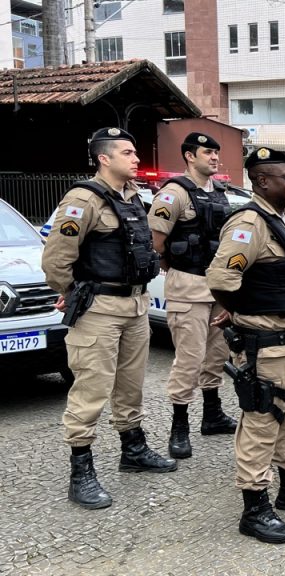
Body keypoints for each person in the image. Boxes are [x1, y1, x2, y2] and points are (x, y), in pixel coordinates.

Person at [42, 127, 175, 510]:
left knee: (130, 385)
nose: (136, 159)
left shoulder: (133, 197)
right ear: (104, 158)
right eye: (128, 153)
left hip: (135, 306)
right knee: (92, 389)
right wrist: (72, 291)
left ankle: (133, 450)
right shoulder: (82, 199)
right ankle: (81, 471)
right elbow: (56, 258)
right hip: (99, 308)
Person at [206, 147, 285, 544]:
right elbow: (223, 280)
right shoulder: (249, 224)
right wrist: (243, 315)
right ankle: (254, 505)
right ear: (262, 181)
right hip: (267, 343)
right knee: (261, 423)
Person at [147, 132, 236, 461]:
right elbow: (156, 243)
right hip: (188, 285)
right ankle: (179, 426)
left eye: (216, 152)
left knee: (216, 353)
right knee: (189, 358)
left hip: (218, 286)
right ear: (189, 156)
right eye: (207, 152)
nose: (214, 157)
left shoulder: (220, 192)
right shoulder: (174, 194)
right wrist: (174, 266)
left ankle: (212, 415)